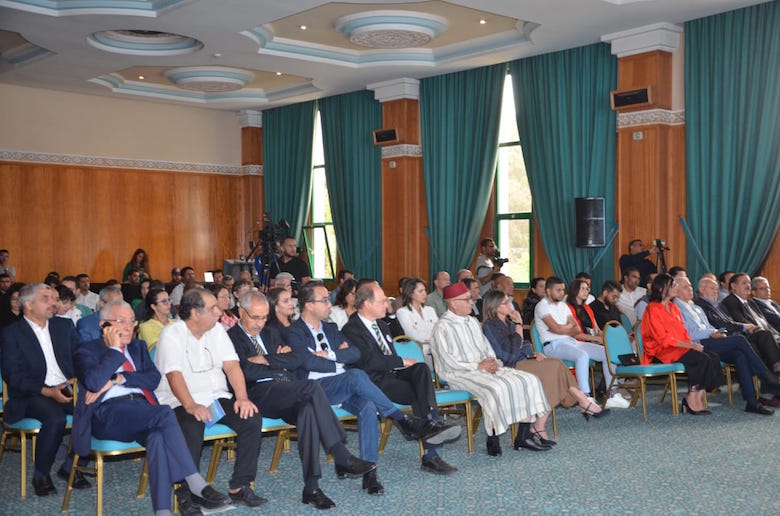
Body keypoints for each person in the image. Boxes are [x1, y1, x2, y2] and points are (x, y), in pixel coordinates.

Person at [282, 281, 455, 495]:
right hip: (317, 388)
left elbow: (353, 354)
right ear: (308, 305)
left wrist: (330, 355)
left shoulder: (331, 327)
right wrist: (338, 358)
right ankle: (403, 420)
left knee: (367, 407)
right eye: (324, 300)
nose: (329, 303)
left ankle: (370, 473)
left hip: (342, 384)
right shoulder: (293, 332)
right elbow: (309, 363)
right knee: (356, 374)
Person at [73, 300, 230, 515]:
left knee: (157, 438)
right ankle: (195, 481)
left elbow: (153, 379)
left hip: (141, 410)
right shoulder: (86, 350)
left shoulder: (137, 347)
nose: (129, 327)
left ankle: (162, 510)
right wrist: (114, 351)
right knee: (165, 412)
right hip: (107, 414)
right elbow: (93, 381)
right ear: (103, 325)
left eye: (131, 321)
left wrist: (118, 378)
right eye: (121, 321)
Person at [227, 291, 374, 509]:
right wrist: (278, 362)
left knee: (308, 411)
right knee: (312, 387)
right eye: (254, 317)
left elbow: (295, 359)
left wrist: (266, 359)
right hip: (257, 394)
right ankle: (341, 455)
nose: (259, 323)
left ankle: (311, 488)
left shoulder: (271, 332)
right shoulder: (231, 337)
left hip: (285, 387)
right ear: (241, 312)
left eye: (264, 317)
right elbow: (244, 371)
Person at [154, 289, 265, 510]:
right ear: (195, 313)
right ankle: (186, 495)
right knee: (191, 425)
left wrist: (242, 397)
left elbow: (232, 366)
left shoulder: (217, 331)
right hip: (179, 401)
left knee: (251, 418)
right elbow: (173, 375)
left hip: (215, 400)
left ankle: (239, 486)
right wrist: (191, 405)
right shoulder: (172, 333)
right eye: (212, 308)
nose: (219, 311)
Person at [342, 281, 461, 477]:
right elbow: (369, 361)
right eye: (382, 302)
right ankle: (431, 446)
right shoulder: (351, 329)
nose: (387, 305)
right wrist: (400, 360)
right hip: (373, 382)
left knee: (421, 369)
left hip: (392, 376)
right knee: (418, 393)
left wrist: (401, 362)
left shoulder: (382, 324)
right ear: (366, 304)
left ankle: (432, 424)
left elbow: (391, 353)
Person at [431, 282, 551, 456]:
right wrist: (478, 366)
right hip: (458, 372)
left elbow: (486, 347)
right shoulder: (442, 327)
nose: (472, 302)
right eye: (467, 299)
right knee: (495, 388)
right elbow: (446, 359)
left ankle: (523, 437)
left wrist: (493, 361)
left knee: (528, 380)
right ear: (453, 303)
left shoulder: (472, 321)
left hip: (484, 367)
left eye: (471, 298)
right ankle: (492, 438)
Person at [0, 283, 90, 495]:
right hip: (32, 393)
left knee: (95, 409)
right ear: (28, 305)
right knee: (55, 418)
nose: (53, 303)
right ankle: (41, 474)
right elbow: (13, 376)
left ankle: (69, 466)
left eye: (53, 298)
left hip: (67, 387)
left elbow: (81, 357)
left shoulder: (63, 326)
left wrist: (77, 378)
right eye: (46, 298)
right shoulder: (12, 333)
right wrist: (47, 391)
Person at [481, 289, 608, 433]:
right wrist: (519, 325)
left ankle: (544, 424)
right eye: (506, 302)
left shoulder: (508, 324)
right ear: (496, 306)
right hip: (508, 367)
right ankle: (582, 402)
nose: (511, 304)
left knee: (555, 370)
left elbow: (525, 345)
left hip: (523, 361)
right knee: (555, 368)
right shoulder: (491, 326)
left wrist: (533, 354)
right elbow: (509, 355)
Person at [673, 276, 775, 415]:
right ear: (675, 290)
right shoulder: (676, 308)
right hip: (696, 345)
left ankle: (751, 401)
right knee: (739, 340)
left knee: (740, 355)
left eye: (690, 286)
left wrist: (718, 333)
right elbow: (688, 334)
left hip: (710, 341)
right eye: (685, 287)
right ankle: (767, 376)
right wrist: (712, 332)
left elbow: (709, 326)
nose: (690, 289)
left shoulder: (696, 307)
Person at [536, 277, 628, 409]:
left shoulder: (563, 306)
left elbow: (575, 329)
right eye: (558, 290)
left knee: (606, 352)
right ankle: (585, 396)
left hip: (571, 341)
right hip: (552, 345)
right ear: (548, 291)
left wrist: (563, 329)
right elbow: (555, 328)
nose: (562, 293)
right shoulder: (542, 306)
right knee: (582, 355)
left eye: (563, 290)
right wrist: (565, 329)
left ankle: (612, 394)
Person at [640, 274, 724, 415]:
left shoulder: (673, 307)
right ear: (661, 289)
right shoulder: (653, 309)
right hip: (661, 351)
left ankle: (698, 395)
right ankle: (691, 397)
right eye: (672, 286)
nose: (675, 288)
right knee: (700, 358)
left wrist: (692, 344)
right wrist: (691, 346)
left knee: (712, 357)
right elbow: (662, 339)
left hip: (678, 348)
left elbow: (683, 332)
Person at [396, 278, 439, 364]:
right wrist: (434, 338)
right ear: (411, 294)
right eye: (420, 291)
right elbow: (414, 335)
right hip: (419, 353)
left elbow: (439, 331)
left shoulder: (430, 310)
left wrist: (432, 338)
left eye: (425, 290)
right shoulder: (402, 312)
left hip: (436, 350)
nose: (425, 294)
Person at [137, 288, 174, 353]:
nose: (169, 303)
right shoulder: (145, 326)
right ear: (153, 306)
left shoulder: (175, 322)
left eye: (169, 300)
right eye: (164, 301)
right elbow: (155, 351)